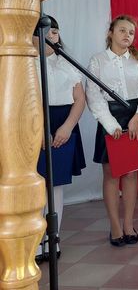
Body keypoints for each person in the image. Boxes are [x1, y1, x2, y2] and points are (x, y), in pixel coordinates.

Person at [86, 15, 138, 247]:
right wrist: (111, 125)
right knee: (112, 174)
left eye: (131, 32)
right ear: (111, 33)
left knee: (131, 173)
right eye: (122, 30)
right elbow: (93, 95)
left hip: (133, 118)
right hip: (109, 119)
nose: (127, 35)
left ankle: (128, 224)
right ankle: (115, 226)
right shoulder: (97, 61)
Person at [34, 16, 86, 263]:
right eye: (44, 32)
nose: (50, 36)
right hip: (34, 123)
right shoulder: (25, 63)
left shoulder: (66, 62)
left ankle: (52, 239)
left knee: (56, 185)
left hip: (63, 123)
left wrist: (67, 127)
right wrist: (38, 129)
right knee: (36, 185)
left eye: (54, 32)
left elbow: (80, 99)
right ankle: (35, 242)